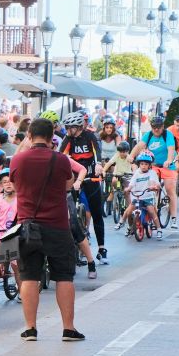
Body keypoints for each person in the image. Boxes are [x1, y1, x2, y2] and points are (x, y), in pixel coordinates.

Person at [8, 118, 84, 341]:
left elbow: (15, 186)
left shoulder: (18, 159)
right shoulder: (60, 160)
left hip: (27, 227)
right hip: (57, 226)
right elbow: (68, 185)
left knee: (29, 277)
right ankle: (68, 328)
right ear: (52, 137)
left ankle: (30, 329)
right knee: (64, 277)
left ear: (29, 136)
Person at [59, 111, 108, 264]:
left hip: (91, 176)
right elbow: (60, 155)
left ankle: (101, 248)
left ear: (79, 127)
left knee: (96, 212)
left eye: (70, 127)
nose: (67, 130)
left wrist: (98, 164)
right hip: (75, 178)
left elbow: (97, 151)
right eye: (66, 127)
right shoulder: (68, 138)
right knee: (68, 211)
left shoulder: (90, 136)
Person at [130, 115, 179, 229]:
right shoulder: (148, 135)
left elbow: (171, 149)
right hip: (154, 165)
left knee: (170, 188)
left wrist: (169, 160)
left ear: (163, 126)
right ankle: (152, 210)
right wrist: (131, 156)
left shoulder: (168, 135)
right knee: (151, 185)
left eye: (158, 127)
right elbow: (139, 146)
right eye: (154, 127)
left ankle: (174, 218)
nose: (156, 129)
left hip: (168, 165)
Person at [116, 152, 164, 239]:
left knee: (151, 211)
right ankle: (121, 222)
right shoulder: (137, 173)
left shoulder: (152, 173)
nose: (144, 166)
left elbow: (154, 182)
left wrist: (153, 187)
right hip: (137, 196)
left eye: (146, 164)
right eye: (142, 164)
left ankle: (159, 229)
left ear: (149, 165)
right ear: (139, 164)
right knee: (129, 210)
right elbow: (132, 183)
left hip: (148, 196)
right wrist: (128, 188)